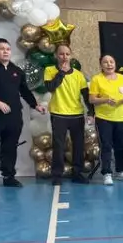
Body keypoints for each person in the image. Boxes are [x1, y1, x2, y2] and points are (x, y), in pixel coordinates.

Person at [0, 37, 44, 191]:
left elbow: (24, 90)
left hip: (14, 116)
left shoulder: (16, 71)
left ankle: (8, 177)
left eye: (8, 49)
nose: (5, 51)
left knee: (10, 147)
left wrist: (35, 105)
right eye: (2, 48)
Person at [42, 43, 91, 185]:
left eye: (67, 54)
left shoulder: (78, 75)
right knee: (59, 146)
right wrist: (61, 73)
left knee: (78, 145)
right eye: (61, 54)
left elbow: (86, 95)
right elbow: (50, 87)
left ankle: (77, 173)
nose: (64, 57)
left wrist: (91, 112)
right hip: (59, 114)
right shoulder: (49, 70)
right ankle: (57, 175)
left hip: (77, 115)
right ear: (56, 56)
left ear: (71, 56)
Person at [87, 54, 123, 185]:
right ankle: (107, 173)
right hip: (104, 119)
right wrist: (105, 100)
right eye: (105, 62)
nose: (109, 64)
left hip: (122, 118)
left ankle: (121, 171)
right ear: (101, 65)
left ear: (115, 64)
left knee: (121, 146)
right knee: (106, 146)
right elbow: (92, 99)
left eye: (111, 62)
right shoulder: (97, 79)